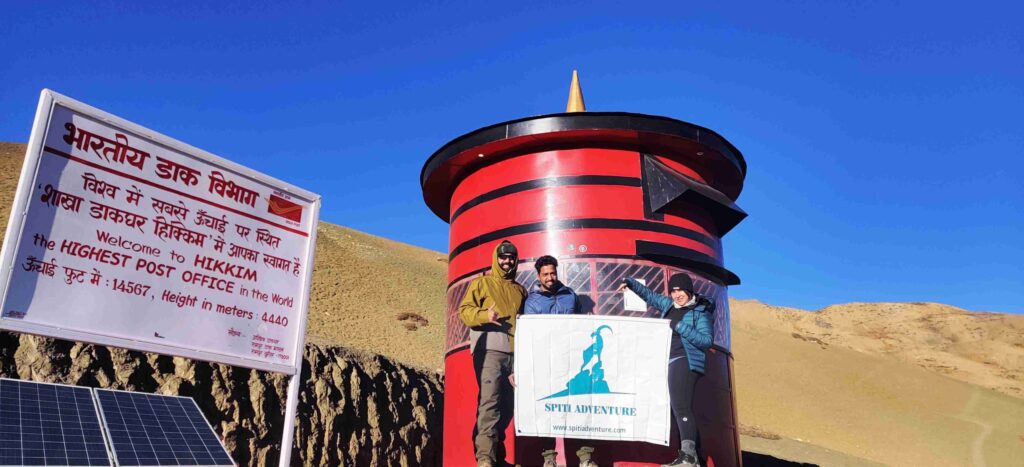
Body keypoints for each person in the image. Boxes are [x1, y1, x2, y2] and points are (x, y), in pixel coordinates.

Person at [617, 273, 714, 467]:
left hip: (686, 360)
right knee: (676, 410)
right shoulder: (669, 305)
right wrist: (630, 281)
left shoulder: (699, 312)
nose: (677, 295)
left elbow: (706, 341)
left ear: (689, 291)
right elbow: (650, 296)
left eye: (680, 291)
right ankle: (690, 455)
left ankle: (689, 457)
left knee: (681, 407)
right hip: (668, 361)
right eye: (673, 291)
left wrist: (679, 326)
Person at [458, 240, 527, 467]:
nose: (507, 261)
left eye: (511, 258)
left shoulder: (520, 290)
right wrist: (484, 316)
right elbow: (464, 311)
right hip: (489, 350)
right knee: (490, 402)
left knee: (508, 406)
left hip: (515, 354)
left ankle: (497, 456)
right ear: (495, 258)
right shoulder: (482, 283)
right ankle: (485, 458)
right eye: (503, 257)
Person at [522, 255, 580, 466]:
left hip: (569, 360)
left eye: (553, 273)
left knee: (574, 407)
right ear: (538, 276)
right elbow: (529, 333)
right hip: (545, 362)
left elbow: (582, 324)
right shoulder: (531, 301)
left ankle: (583, 456)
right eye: (545, 274)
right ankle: (549, 458)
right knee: (547, 408)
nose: (550, 277)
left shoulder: (570, 296)